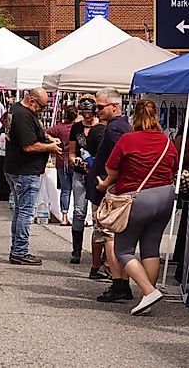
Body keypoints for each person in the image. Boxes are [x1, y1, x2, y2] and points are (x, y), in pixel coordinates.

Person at [99, 99, 178, 315]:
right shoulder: (166, 141)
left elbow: (111, 169)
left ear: (135, 116)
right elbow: (172, 166)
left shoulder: (128, 140)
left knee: (123, 250)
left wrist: (105, 184)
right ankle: (147, 298)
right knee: (151, 248)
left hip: (136, 198)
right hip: (164, 196)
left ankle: (149, 292)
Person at [4, 88, 62, 266]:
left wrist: (47, 139)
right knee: (25, 212)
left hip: (16, 167)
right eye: (42, 107)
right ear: (31, 101)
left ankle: (17, 249)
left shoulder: (16, 110)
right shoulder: (23, 115)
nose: (42, 110)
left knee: (20, 210)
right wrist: (49, 147)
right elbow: (28, 146)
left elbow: (30, 136)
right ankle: (20, 250)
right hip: (25, 170)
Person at [90, 88, 132, 303]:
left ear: (114, 106)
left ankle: (118, 284)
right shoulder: (120, 127)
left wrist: (107, 183)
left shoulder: (115, 129)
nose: (96, 111)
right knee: (116, 238)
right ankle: (122, 283)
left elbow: (122, 160)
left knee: (109, 236)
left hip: (109, 193)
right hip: (112, 190)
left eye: (100, 107)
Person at [67, 97, 105, 269]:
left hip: (97, 174)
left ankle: (102, 251)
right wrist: (75, 161)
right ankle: (76, 250)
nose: (87, 117)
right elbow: (72, 152)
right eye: (84, 114)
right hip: (80, 174)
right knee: (79, 211)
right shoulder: (76, 127)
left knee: (100, 214)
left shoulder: (102, 128)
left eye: (89, 113)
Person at [46, 106, 77, 226]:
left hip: (61, 160)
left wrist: (53, 140)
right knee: (78, 190)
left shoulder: (59, 127)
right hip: (76, 161)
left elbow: (45, 133)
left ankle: (64, 217)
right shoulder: (78, 127)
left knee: (65, 190)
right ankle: (79, 217)